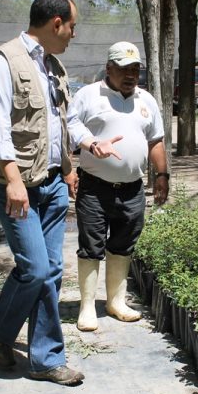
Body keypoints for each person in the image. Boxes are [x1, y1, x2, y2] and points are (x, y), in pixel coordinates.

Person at [0, 0, 84, 386]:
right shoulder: (2, 62)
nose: (73, 34)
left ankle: (47, 359)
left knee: (51, 271)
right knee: (35, 268)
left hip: (53, 183)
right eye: (72, 26)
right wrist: (14, 180)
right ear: (55, 23)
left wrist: (68, 167)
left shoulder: (54, 66)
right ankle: (0, 328)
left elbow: (58, 122)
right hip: (16, 186)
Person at [67, 41, 169, 332]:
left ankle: (116, 301)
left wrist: (162, 175)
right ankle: (87, 307)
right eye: (124, 69)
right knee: (91, 246)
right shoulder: (88, 95)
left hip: (132, 189)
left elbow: (155, 140)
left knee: (124, 244)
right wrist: (90, 143)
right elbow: (71, 128)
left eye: (135, 69)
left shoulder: (146, 100)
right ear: (109, 68)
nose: (131, 75)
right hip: (95, 188)